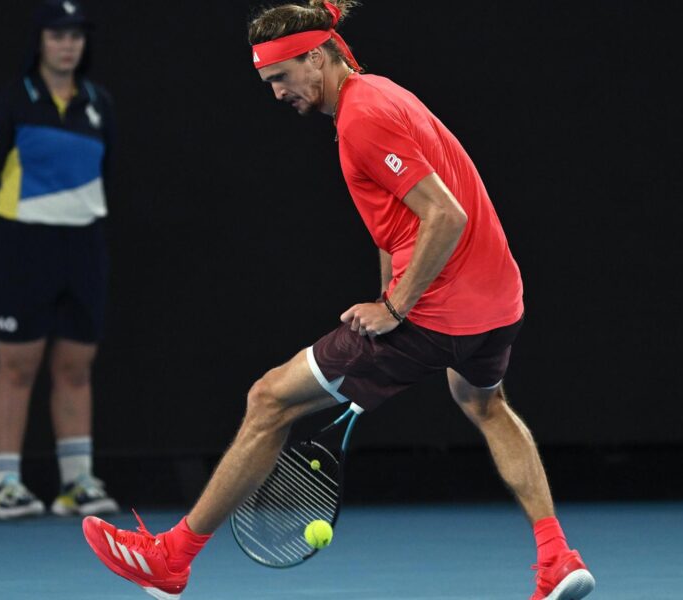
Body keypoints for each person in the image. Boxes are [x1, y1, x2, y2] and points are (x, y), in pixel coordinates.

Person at [82, 1, 595, 598]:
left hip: (438, 306)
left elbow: (444, 216)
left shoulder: (362, 116)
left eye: (281, 78)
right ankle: (558, 556)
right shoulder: (378, 94)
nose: (276, 95)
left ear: (317, 56)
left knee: (269, 399)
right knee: (485, 405)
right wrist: (389, 291)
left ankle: (172, 558)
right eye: (267, 83)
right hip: (498, 301)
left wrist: (396, 308)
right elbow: (400, 222)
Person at [0, 0, 119, 520]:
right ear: (40, 43)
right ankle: (5, 483)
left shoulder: (99, 103)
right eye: (57, 35)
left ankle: (76, 483)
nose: (67, 44)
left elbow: (109, 173)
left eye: (75, 35)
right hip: (23, 246)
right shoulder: (11, 103)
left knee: (76, 366)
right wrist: (18, 227)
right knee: (17, 364)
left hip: (84, 248)